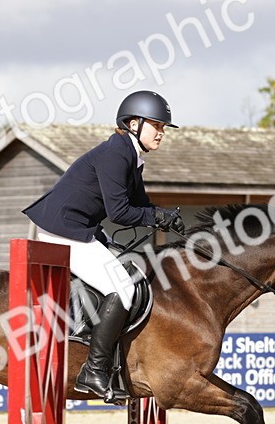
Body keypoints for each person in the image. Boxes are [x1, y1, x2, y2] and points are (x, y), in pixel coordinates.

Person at [23, 90, 183, 399]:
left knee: (132, 270)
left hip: (82, 229)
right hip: (63, 232)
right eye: (157, 126)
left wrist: (166, 217)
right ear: (134, 123)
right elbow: (120, 212)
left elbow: (141, 204)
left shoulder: (132, 156)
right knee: (122, 287)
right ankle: (93, 371)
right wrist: (157, 217)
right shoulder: (116, 152)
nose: (162, 133)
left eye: (163, 128)